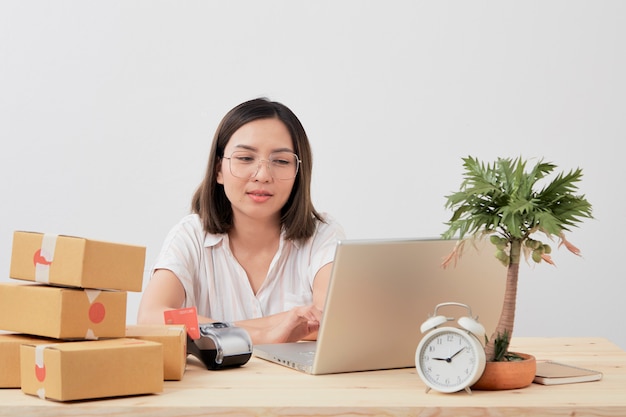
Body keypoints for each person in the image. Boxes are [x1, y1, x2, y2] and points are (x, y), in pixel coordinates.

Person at [137, 98, 345, 344]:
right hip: (212, 383)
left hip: (295, 383)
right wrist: (268, 332)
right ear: (218, 170)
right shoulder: (190, 235)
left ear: (298, 172)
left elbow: (330, 323)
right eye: (245, 158)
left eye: (281, 161)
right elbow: (152, 318)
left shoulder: (323, 235)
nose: (263, 175)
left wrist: (213, 329)